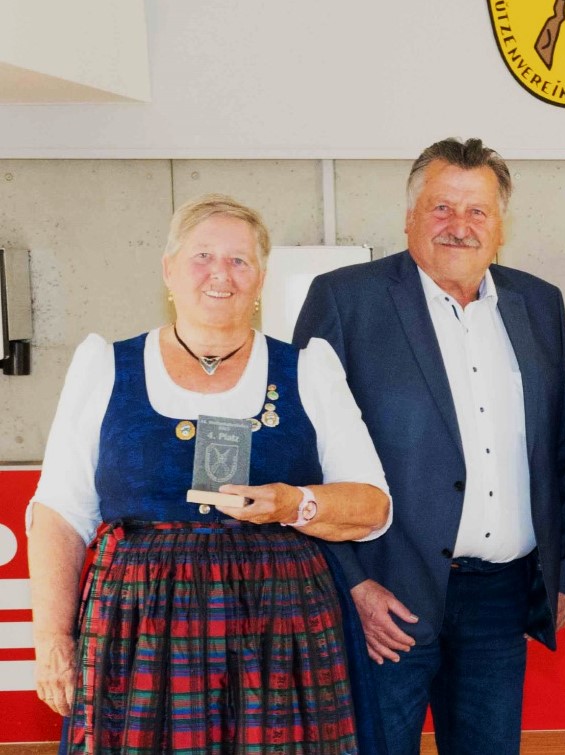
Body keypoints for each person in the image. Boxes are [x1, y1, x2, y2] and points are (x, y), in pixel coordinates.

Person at [28, 194, 392, 753]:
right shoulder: (104, 364)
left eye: (239, 260)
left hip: (281, 630)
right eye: (202, 256)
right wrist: (52, 638)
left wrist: (294, 504)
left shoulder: (309, 368)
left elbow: (372, 506)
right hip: (139, 627)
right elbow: (60, 513)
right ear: (169, 270)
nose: (220, 273)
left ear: (261, 279)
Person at [293, 138, 565, 754]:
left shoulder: (539, 303)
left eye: (477, 210)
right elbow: (304, 455)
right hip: (386, 597)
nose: (459, 225)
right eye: (441, 207)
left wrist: (563, 574)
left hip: (502, 599)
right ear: (409, 217)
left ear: (500, 226)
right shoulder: (346, 300)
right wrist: (352, 586)